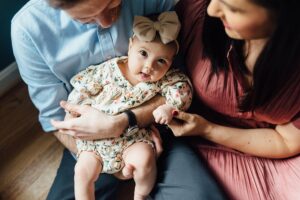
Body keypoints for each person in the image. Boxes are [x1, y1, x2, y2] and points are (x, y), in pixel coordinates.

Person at [11, 0, 226, 199]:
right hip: (90, 142)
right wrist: (108, 158)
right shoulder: (28, 30)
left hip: (156, 129)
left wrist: (126, 121)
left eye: (114, 3)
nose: (107, 23)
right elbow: (56, 117)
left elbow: (180, 80)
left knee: (199, 196)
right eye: (85, 18)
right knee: (80, 181)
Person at [170, 0, 300, 199]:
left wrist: (209, 129)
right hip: (193, 144)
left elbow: (286, 141)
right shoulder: (198, 12)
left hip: (277, 154)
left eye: (232, 8)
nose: (212, 10)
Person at [67, 12, 192, 200]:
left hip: (134, 137)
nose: (149, 66)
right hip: (96, 140)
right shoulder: (109, 69)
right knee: (82, 172)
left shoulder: (165, 79)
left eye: (161, 61)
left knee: (145, 159)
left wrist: (168, 107)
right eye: (143, 53)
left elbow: (183, 91)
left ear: (170, 63)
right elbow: (84, 89)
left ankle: (140, 195)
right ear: (131, 44)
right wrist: (72, 112)